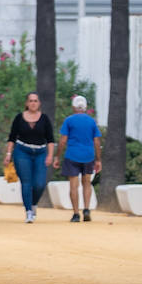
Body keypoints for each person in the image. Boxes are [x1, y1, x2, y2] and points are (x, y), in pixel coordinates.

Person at [4, 92, 56, 223]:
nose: (33, 103)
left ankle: (33, 204)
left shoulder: (44, 118)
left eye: (36, 101)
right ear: (27, 103)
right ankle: (28, 211)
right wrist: (8, 154)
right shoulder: (19, 118)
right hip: (22, 152)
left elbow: (50, 139)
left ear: (39, 103)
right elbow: (11, 138)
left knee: (39, 184)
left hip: (40, 152)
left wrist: (50, 155)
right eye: (31, 101)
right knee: (26, 183)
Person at [57, 95, 102, 223]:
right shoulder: (91, 121)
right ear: (85, 107)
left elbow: (63, 140)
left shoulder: (69, 121)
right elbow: (97, 142)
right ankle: (86, 209)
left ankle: (76, 213)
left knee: (73, 186)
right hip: (88, 156)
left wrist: (57, 156)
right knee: (87, 183)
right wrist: (98, 159)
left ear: (73, 107)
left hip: (72, 155)